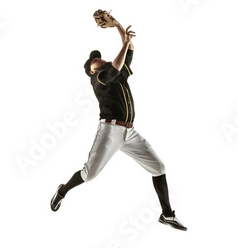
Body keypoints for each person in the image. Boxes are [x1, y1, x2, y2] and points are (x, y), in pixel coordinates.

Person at [50, 19, 187, 231]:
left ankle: (167, 214)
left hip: (130, 132)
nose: (98, 59)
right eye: (94, 60)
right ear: (91, 71)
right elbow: (116, 64)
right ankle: (62, 191)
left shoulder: (117, 73)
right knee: (90, 175)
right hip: (109, 131)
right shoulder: (99, 79)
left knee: (159, 167)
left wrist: (118, 26)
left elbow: (129, 50)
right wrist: (124, 42)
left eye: (99, 56)